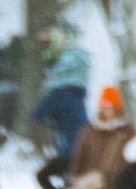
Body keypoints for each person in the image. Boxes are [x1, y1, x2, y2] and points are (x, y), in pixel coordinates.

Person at [32, 29, 92, 159]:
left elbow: (37, 114)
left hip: (69, 151)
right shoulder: (77, 93)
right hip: (82, 146)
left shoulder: (59, 93)